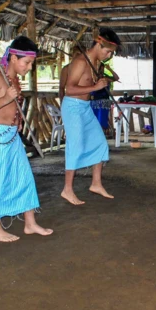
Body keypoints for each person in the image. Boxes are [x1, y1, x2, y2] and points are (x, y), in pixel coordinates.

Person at [0, 36, 53, 242]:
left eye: (31, 63)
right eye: (26, 62)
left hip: (12, 136)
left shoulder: (13, 80)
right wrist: (5, 99)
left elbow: (12, 107)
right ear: (12, 57)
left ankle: (30, 223)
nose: (29, 67)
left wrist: (17, 120)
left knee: (24, 177)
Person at [60, 28, 120, 205]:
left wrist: (99, 84)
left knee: (100, 143)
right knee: (75, 147)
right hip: (73, 107)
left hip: (85, 107)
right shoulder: (80, 61)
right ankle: (67, 190)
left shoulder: (95, 63)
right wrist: (94, 88)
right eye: (108, 51)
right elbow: (69, 89)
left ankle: (96, 183)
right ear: (99, 44)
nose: (108, 56)